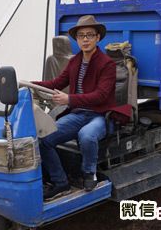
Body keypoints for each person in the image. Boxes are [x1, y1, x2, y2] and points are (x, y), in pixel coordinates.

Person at [33, 15, 116, 200]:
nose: (85, 39)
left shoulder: (107, 64)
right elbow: (57, 82)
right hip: (79, 114)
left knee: (86, 135)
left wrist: (70, 99)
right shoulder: (74, 62)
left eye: (89, 35)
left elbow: (101, 96)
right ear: (76, 39)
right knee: (44, 139)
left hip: (100, 115)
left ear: (98, 38)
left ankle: (89, 173)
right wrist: (29, 84)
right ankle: (60, 182)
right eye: (81, 36)